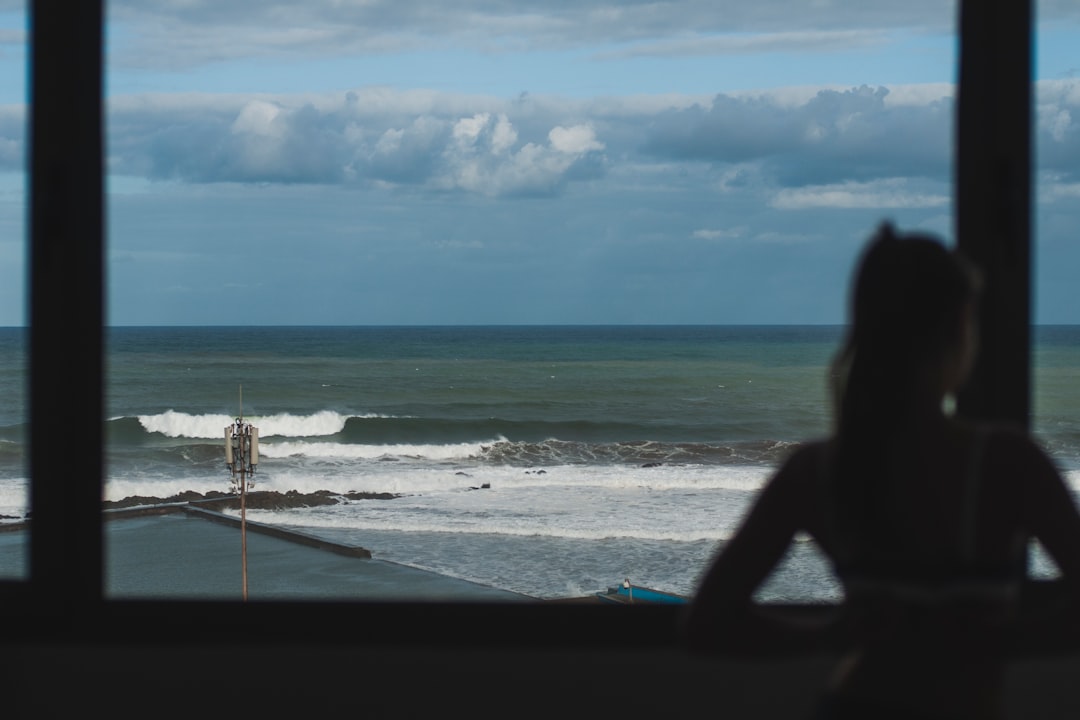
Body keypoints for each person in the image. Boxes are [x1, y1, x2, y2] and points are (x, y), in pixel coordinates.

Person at [684, 223, 1080, 719]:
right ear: (959, 328)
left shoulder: (819, 470)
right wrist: (1000, 641)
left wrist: (827, 635)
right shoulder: (1008, 463)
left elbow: (707, 622)